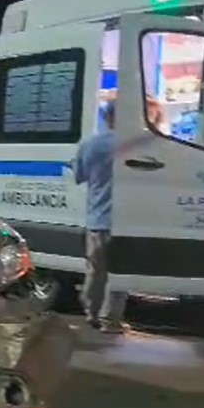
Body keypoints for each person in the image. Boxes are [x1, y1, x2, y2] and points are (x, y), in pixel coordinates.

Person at [73, 99, 128, 334]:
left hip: (96, 217)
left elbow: (79, 176)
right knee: (119, 271)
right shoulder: (133, 144)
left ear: (106, 117)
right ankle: (110, 320)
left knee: (95, 271)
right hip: (124, 220)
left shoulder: (90, 144)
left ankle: (91, 313)